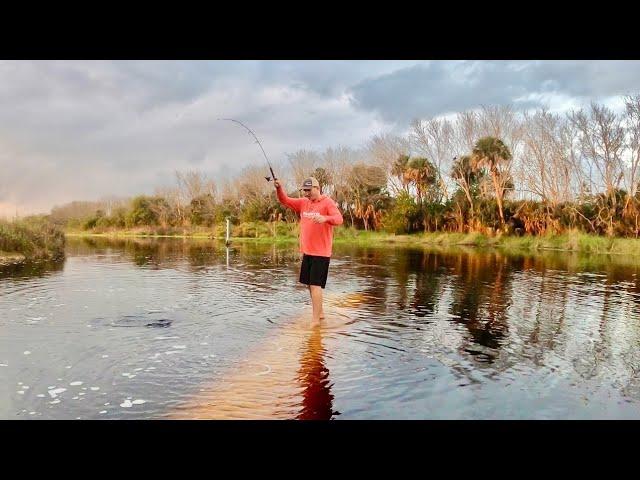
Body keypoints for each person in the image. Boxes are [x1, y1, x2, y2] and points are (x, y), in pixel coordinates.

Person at [274, 176, 343, 325]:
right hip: (308, 251)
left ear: (317, 188)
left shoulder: (327, 202)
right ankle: (320, 312)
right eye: (304, 190)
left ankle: (315, 320)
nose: (306, 193)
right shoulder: (303, 203)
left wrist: (325, 218)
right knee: (308, 284)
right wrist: (279, 188)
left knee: (315, 285)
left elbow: (339, 219)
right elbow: (284, 200)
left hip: (321, 253)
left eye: (308, 190)